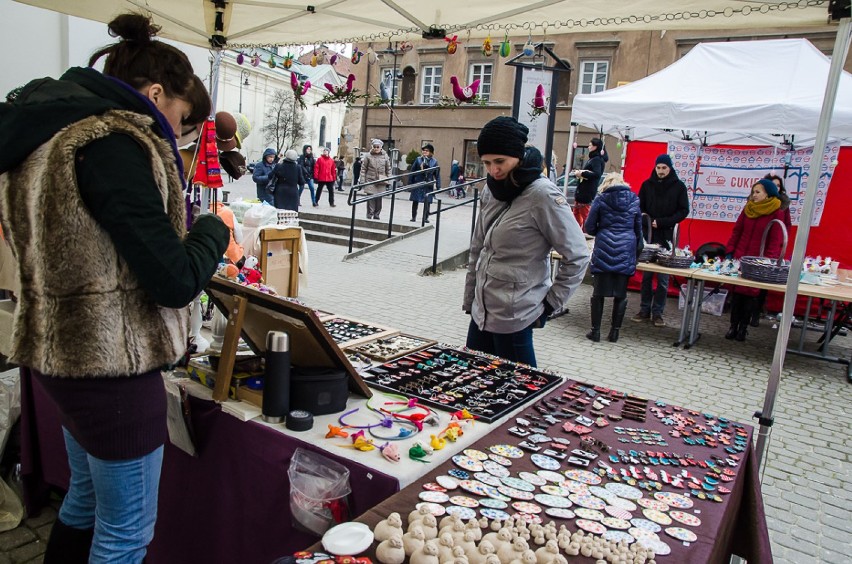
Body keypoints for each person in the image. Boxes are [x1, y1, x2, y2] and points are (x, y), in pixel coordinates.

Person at [0, 13, 229, 563]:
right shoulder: (112, 142)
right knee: (125, 532)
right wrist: (213, 231)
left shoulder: (45, 135)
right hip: (110, 368)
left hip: (59, 355)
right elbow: (173, 279)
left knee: (83, 501)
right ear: (154, 94)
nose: (177, 135)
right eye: (179, 120)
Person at [463, 117, 590, 366]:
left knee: (521, 395)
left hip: (516, 316)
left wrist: (550, 304)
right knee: (472, 389)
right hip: (481, 314)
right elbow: (477, 247)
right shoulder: (491, 189)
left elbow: (578, 255)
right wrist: (470, 299)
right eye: (486, 163)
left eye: (500, 161)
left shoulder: (542, 195)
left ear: (518, 156)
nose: (493, 170)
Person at [583, 173, 643, 343]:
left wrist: (602, 230)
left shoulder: (601, 199)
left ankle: (595, 332)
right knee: (621, 295)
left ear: (606, 184)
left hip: (604, 248)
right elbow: (639, 231)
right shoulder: (634, 200)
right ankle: (614, 332)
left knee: (598, 294)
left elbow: (589, 226)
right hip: (626, 249)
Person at [725, 178, 787, 341]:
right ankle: (733, 325)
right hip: (741, 257)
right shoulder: (748, 209)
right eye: (753, 192)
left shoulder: (777, 212)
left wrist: (768, 261)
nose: (754, 195)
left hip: (759, 261)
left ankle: (743, 328)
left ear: (768, 194)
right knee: (737, 293)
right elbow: (737, 232)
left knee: (750, 295)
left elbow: (775, 240)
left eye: (758, 192)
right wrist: (730, 251)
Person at [632, 154, 689, 327]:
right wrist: (647, 221)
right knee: (647, 276)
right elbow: (638, 208)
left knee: (663, 279)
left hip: (666, 236)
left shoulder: (679, 187)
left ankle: (658, 312)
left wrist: (664, 222)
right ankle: (644, 309)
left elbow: (683, 210)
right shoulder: (647, 185)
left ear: (670, 168)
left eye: (664, 168)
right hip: (648, 235)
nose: (661, 171)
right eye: (658, 168)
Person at [750, 173, 793, 327]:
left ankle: (756, 312)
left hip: (772, 248)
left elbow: (785, 226)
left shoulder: (782, 206)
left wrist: (780, 244)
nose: (775, 187)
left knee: (763, 283)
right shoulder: (751, 205)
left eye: (778, 185)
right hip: (753, 247)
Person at [571, 138, 606, 230]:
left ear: (595, 147)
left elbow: (597, 174)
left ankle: (586, 231)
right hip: (582, 191)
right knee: (576, 212)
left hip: (586, 191)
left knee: (584, 213)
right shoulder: (593, 159)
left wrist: (582, 173)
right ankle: (577, 230)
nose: (588, 147)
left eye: (590, 145)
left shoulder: (596, 160)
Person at [359, 139, 392, 220]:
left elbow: (388, 169)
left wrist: (389, 181)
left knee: (379, 199)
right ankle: (370, 214)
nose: (376, 148)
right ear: (372, 147)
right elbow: (363, 169)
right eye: (375, 146)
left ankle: (377, 214)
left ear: (381, 147)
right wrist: (362, 181)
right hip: (370, 179)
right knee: (370, 197)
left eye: (378, 147)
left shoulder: (385, 156)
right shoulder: (368, 156)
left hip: (381, 181)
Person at [409, 143, 440, 223]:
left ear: (431, 152)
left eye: (427, 150)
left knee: (427, 202)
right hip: (418, 182)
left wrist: (438, 185)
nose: (424, 152)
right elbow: (413, 171)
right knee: (415, 201)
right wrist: (410, 183)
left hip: (428, 183)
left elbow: (437, 174)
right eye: (423, 150)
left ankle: (425, 218)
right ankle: (413, 217)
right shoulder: (418, 159)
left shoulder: (434, 161)